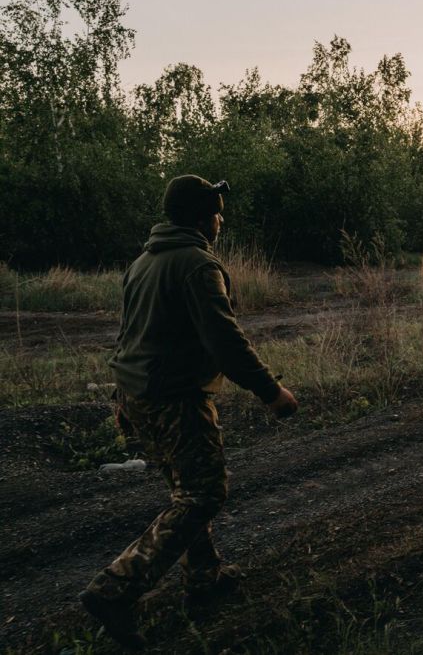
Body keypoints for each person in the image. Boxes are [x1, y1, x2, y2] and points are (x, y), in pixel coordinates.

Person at [79, 174, 298, 649]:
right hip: (174, 397)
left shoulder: (144, 261)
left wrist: (122, 399)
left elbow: (129, 334)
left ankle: (203, 575)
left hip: (139, 394)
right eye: (217, 211)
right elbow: (224, 341)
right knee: (203, 495)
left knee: (185, 488)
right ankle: (115, 589)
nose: (221, 218)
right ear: (203, 218)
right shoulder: (197, 265)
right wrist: (271, 391)